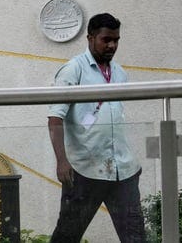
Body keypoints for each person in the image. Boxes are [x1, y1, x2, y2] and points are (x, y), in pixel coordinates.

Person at [47, 12, 145, 242]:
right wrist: (61, 161)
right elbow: (54, 118)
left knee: (136, 237)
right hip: (84, 169)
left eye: (116, 40)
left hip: (123, 169)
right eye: (106, 39)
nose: (112, 45)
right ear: (90, 38)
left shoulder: (120, 73)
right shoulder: (73, 69)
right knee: (67, 236)